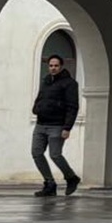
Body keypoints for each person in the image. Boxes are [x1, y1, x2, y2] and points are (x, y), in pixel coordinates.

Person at [31, 54, 81, 197]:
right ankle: (49, 183)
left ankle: (71, 177)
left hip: (57, 125)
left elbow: (73, 107)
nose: (53, 68)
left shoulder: (70, 84)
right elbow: (40, 97)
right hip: (41, 124)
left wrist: (67, 128)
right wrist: (36, 108)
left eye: (56, 66)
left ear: (61, 66)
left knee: (55, 154)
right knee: (36, 152)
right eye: (51, 66)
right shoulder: (46, 81)